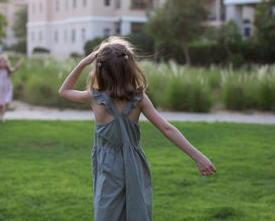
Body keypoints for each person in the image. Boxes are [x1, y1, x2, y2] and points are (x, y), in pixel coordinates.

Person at [58, 36, 216, 221]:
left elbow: (64, 91)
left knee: (107, 212)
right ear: (130, 68)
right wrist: (198, 156)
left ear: (100, 70)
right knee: (137, 211)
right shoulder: (139, 98)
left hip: (108, 164)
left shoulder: (94, 97)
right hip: (134, 162)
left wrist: (83, 63)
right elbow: (167, 128)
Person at [0, 53, 22, 122]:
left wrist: (17, 66)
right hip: (0, 89)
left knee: (6, 102)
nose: (4, 63)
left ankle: (2, 116)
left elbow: (14, 70)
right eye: (2, 62)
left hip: (8, 88)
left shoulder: (8, 71)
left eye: (5, 62)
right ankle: (0, 117)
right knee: (0, 104)